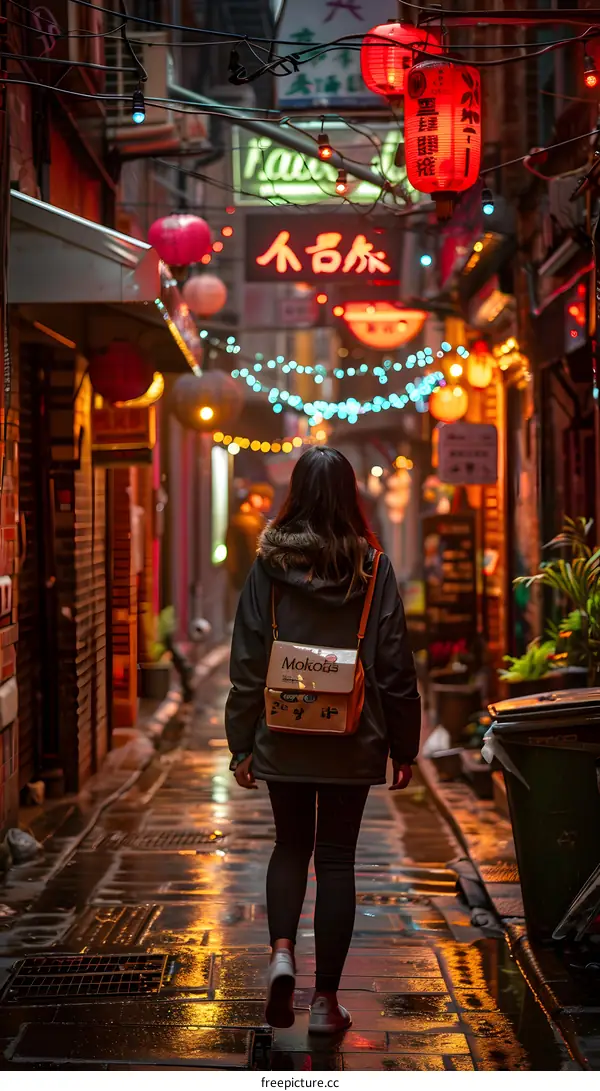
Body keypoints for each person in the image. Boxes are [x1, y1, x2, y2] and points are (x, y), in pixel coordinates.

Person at [225, 447, 421, 1035]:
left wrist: (242, 742)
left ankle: (282, 950)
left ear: (295, 493)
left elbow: (247, 655)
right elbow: (393, 664)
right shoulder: (373, 567)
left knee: (290, 846)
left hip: (283, 734)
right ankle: (325, 1003)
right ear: (350, 495)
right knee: (335, 859)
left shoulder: (268, 566)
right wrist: (404, 747)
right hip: (351, 735)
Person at [225, 483, 274, 593]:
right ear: (255, 498)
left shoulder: (249, 519)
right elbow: (255, 554)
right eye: (266, 499)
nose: (269, 504)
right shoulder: (248, 523)